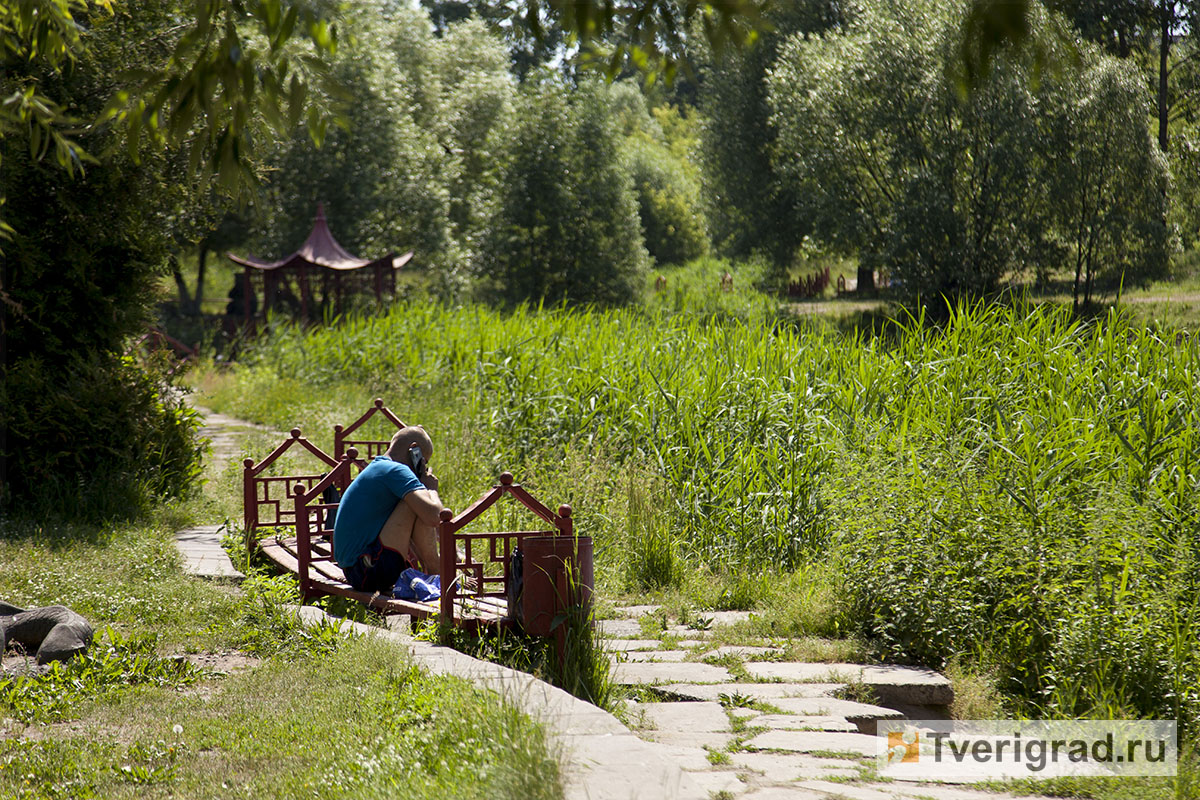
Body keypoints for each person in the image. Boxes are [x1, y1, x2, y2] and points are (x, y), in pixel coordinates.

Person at [333, 426, 443, 593]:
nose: (422, 468)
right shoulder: (397, 471)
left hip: (356, 571)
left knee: (415, 500)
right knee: (416, 503)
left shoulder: (379, 467)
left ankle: (434, 572)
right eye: (423, 461)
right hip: (369, 570)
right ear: (414, 450)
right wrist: (431, 489)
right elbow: (435, 517)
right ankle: (440, 573)